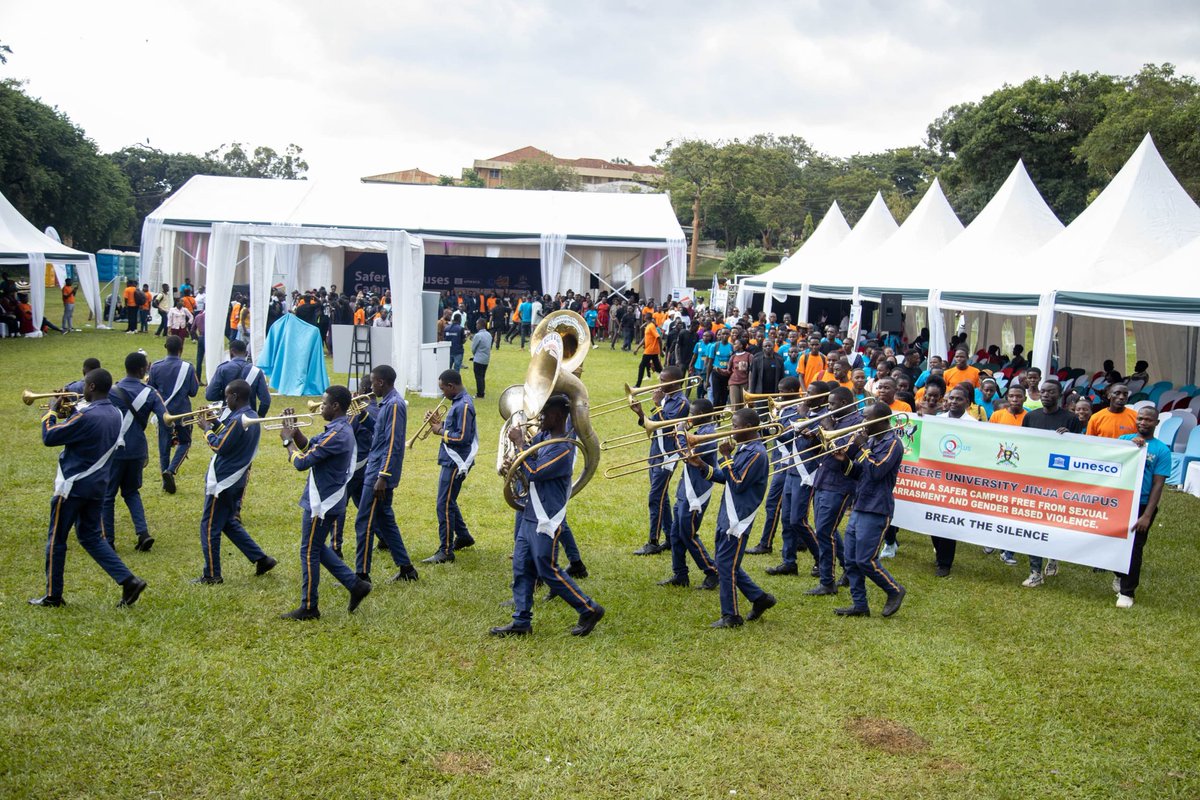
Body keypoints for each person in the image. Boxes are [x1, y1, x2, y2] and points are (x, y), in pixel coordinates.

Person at [30, 368, 147, 609]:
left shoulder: (86, 416)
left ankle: (53, 595)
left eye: (85, 384)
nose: (82, 388)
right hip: (98, 486)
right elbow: (85, 428)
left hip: (73, 486)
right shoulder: (114, 412)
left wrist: (51, 410)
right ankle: (128, 580)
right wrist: (72, 410)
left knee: (56, 539)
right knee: (91, 537)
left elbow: (49, 437)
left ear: (92, 387)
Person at [490, 394, 605, 637]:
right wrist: (514, 457)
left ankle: (589, 608)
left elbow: (533, 472)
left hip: (546, 518)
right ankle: (521, 621)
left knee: (547, 569)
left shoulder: (564, 448)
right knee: (521, 567)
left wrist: (520, 446)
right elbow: (529, 458)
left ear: (560, 415)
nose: (540, 417)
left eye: (546, 413)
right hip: (530, 511)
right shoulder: (544, 436)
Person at [277, 387, 373, 620]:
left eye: (324, 403)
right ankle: (355, 585)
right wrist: (296, 432)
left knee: (309, 551)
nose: (320, 407)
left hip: (323, 502)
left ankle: (309, 606)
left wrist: (287, 442)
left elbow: (302, 462)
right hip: (326, 499)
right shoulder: (337, 429)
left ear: (336, 406)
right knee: (316, 548)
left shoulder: (338, 432)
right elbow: (310, 447)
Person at [686, 407, 776, 628]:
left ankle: (732, 616)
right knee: (727, 563)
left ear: (747, 428)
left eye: (735, 426)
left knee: (726, 566)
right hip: (728, 513)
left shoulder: (757, 454)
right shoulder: (746, 448)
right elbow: (727, 477)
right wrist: (702, 466)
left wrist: (725, 456)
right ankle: (760, 598)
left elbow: (737, 483)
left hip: (738, 519)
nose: (731, 430)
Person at [193, 380, 277, 584]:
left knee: (209, 526)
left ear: (235, 397)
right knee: (228, 522)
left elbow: (219, 445)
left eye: (227, 396)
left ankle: (212, 574)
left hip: (223, 480)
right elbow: (232, 436)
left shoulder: (240, 418)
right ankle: (261, 559)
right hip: (236, 479)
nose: (225, 399)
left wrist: (205, 429)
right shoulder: (251, 416)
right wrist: (214, 422)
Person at [834, 403, 906, 618]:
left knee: (866, 559)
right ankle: (860, 605)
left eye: (867, 418)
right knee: (851, 559)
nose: (862, 423)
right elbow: (859, 473)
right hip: (860, 504)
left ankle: (894, 590)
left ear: (882, 420)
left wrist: (863, 447)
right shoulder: (874, 440)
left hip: (876, 508)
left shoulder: (893, 443)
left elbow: (877, 471)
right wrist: (845, 461)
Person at [353, 365, 419, 584]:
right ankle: (407, 568)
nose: (371, 386)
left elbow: (393, 443)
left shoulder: (393, 405)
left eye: (373, 382)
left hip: (378, 472)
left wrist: (383, 475)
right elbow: (378, 430)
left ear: (381, 382)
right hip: (379, 469)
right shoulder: (388, 404)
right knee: (385, 520)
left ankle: (361, 576)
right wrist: (361, 413)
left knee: (364, 521)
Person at [103, 351, 167, 552]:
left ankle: (108, 540)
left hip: (114, 449)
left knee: (107, 496)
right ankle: (143, 532)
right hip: (138, 449)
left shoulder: (111, 391)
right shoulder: (150, 393)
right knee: (131, 492)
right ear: (142, 370)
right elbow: (165, 418)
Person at [804, 386, 862, 596]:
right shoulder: (836, 421)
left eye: (832, 404)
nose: (828, 408)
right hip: (823, 480)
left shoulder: (857, 423)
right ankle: (849, 569)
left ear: (844, 404)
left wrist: (828, 428)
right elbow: (824, 452)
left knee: (824, 532)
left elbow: (844, 453)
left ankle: (827, 581)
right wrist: (815, 438)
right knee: (825, 530)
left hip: (839, 485)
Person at [657, 398, 720, 590]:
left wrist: (679, 432)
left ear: (701, 415)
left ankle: (712, 571)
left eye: (692, 414)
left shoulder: (709, 434)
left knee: (688, 534)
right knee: (676, 534)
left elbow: (687, 454)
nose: (689, 417)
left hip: (696, 494)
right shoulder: (702, 430)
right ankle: (680, 574)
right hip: (686, 489)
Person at [1114, 406, 1171, 608]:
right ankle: (1120, 574)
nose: (1143, 423)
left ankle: (1127, 592)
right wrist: (1129, 446)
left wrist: (1147, 515)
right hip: (1119, 500)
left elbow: (1158, 484)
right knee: (1112, 541)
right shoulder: (1123, 440)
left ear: (1156, 423)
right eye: (1140, 419)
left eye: (1148, 420)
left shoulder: (1162, 450)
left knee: (1135, 547)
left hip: (1142, 504)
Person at [766, 378, 821, 578]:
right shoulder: (802, 415)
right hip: (791, 470)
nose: (806, 397)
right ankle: (789, 561)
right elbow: (788, 439)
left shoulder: (823, 417)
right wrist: (774, 428)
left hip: (806, 473)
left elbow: (821, 444)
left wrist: (806, 423)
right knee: (787, 519)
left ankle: (822, 558)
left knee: (798, 520)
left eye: (811, 394)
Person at [422, 370, 478, 564]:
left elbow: (463, 438)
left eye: (443, 389)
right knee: (449, 500)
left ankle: (445, 550)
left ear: (452, 386)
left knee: (443, 503)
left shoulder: (463, 405)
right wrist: (439, 422)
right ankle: (463, 536)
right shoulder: (458, 403)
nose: (442, 393)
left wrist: (440, 431)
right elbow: (456, 427)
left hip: (456, 461)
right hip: (452, 460)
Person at [148, 335, 200, 494]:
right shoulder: (188, 367)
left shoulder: (155, 367)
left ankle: (165, 479)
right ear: (181, 349)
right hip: (183, 412)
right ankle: (171, 470)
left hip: (164, 413)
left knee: (164, 447)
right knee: (185, 442)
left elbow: (151, 390)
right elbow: (193, 392)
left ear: (165, 347)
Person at [206, 339, 271, 417]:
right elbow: (266, 400)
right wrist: (260, 415)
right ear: (246, 353)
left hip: (227, 417)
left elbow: (210, 395)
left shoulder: (222, 369)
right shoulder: (256, 371)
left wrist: (226, 395)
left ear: (231, 353)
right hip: (249, 416)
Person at [634, 316, 663, 388]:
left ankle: (638, 385)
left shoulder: (651, 326)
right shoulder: (649, 326)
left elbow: (658, 338)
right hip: (652, 350)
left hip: (650, 350)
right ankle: (667, 381)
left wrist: (661, 350)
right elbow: (645, 339)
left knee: (641, 366)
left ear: (645, 318)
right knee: (658, 368)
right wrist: (637, 348)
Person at [727, 337, 752, 409]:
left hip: (745, 382)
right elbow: (728, 371)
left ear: (741, 346)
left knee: (744, 404)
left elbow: (751, 371)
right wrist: (719, 370)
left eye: (735, 344)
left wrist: (750, 386)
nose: (733, 345)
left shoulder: (749, 356)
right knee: (735, 405)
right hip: (733, 382)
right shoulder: (733, 357)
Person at [469, 318, 492, 398]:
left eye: (477, 324)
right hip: (486, 358)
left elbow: (473, 348)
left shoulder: (478, 335)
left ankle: (480, 394)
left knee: (478, 377)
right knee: (482, 376)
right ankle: (482, 392)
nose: (476, 326)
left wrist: (475, 355)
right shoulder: (489, 335)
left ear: (480, 325)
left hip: (478, 358)